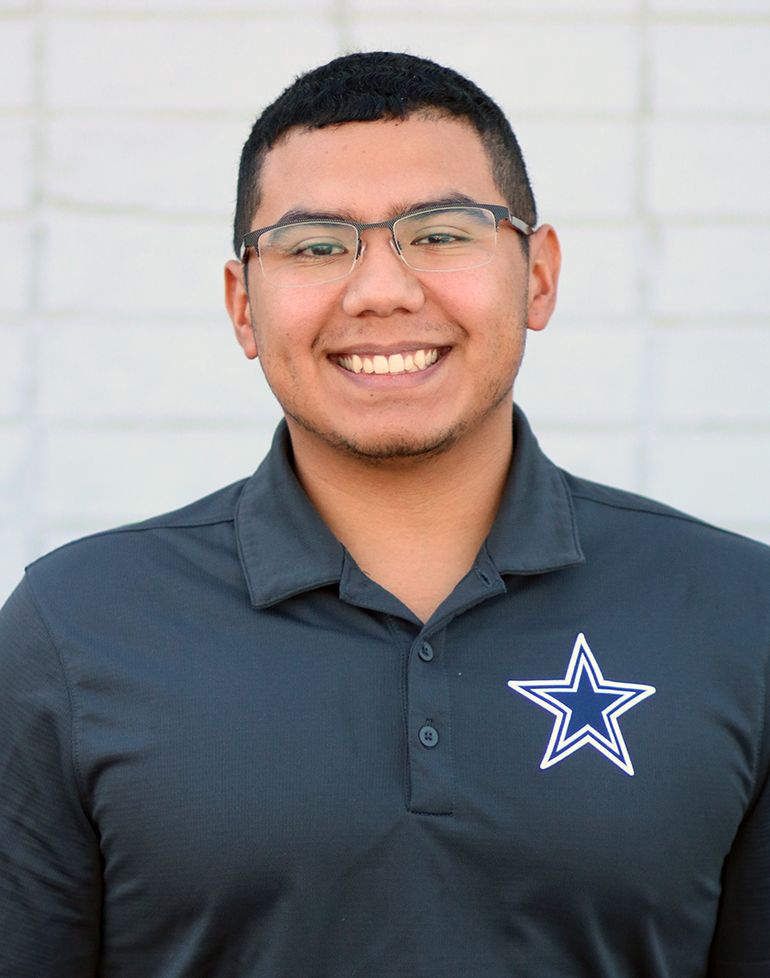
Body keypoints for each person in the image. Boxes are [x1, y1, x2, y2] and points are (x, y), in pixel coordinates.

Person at [0, 50, 768, 978]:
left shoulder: (739, 615)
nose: (381, 290)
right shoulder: (74, 631)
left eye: (442, 233)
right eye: (316, 246)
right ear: (244, 306)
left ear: (539, 277)